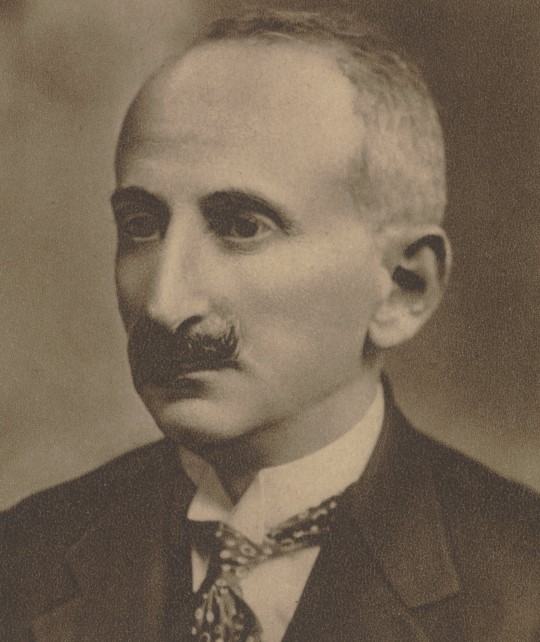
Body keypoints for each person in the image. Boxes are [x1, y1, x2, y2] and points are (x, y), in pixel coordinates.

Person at [1, 10, 539, 642]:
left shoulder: (521, 585)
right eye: (141, 226)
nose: (165, 304)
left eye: (241, 226)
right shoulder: (22, 559)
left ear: (402, 287)